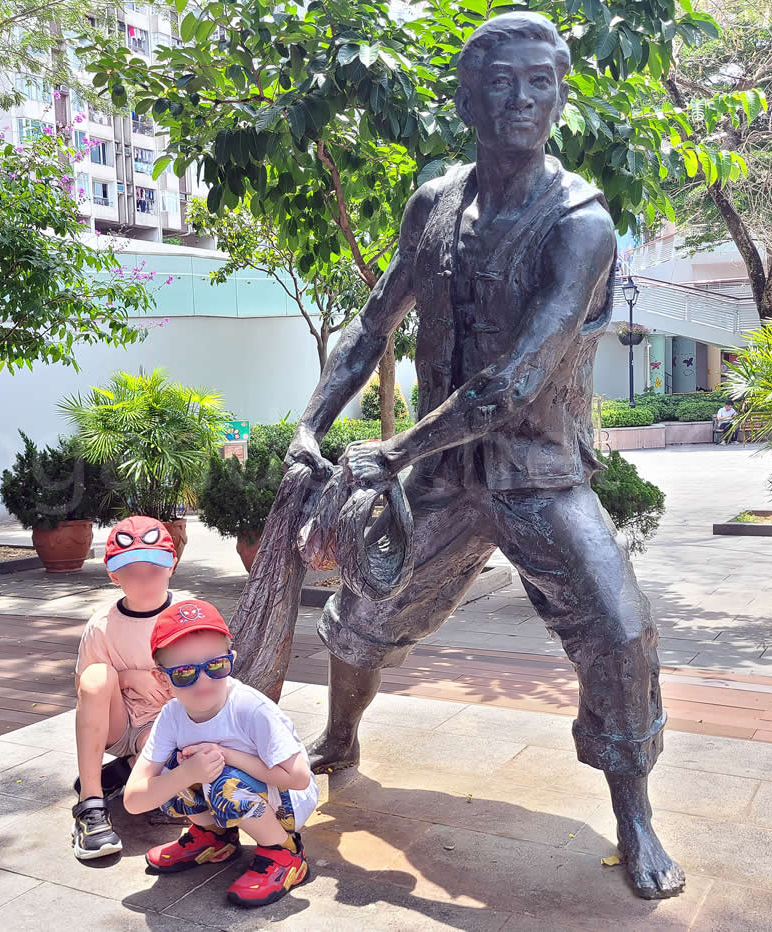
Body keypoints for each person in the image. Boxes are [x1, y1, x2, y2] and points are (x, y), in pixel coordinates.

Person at [279, 11, 684, 899]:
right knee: (365, 611)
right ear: (467, 99)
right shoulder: (433, 204)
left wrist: (391, 450)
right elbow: (370, 325)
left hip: (540, 474)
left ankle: (635, 816)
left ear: (560, 95)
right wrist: (312, 423)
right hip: (447, 477)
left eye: (540, 81)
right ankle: (343, 737)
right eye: (501, 81)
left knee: (619, 630)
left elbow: (518, 381)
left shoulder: (581, 222)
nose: (521, 99)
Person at [124, 599, 319, 908]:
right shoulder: (172, 715)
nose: (203, 681)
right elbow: (134, 799)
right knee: (171, 769)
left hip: (286, 802)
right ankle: (213, 837)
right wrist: (186, 773)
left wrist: (227, 755)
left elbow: (298, 777)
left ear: (231, 660)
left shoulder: (250, 709)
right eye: (185, 673)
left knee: (221, 780)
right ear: (162, 679)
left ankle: (283, 851)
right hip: (234, 788)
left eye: (215, 666)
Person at [70, 516, 180, 861]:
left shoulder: (187, 614)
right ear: (114, 577)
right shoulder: (103, 626)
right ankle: (91, 805)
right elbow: (85, 690)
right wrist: (127, 677)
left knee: (173, 775)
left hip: (166, 726)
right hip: (118, 724)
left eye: (154, 568)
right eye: (132, 572)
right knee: (97, 676)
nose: (144, 580)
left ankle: (133, 766)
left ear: (171, 566)